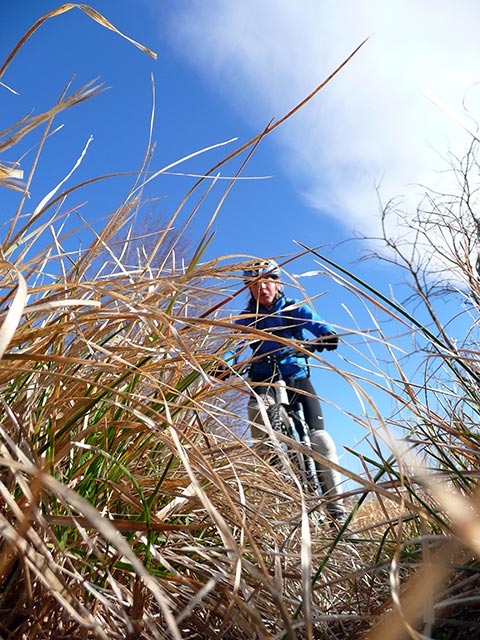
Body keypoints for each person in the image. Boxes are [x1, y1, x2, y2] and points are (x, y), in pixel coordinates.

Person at [212, 259, 347, 526]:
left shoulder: (293, 309)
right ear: (248, 289)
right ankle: (273, 476)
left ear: (278, 284)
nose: (262, 287)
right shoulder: (247, 318)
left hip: (295, 375)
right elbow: (234, 345)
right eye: (254, 284)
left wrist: (326, 335)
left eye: (267, 281)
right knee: (257, 411)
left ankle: (337, 513)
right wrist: (223, 363)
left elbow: (317, 324)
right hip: (264, 378)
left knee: (321, 440)